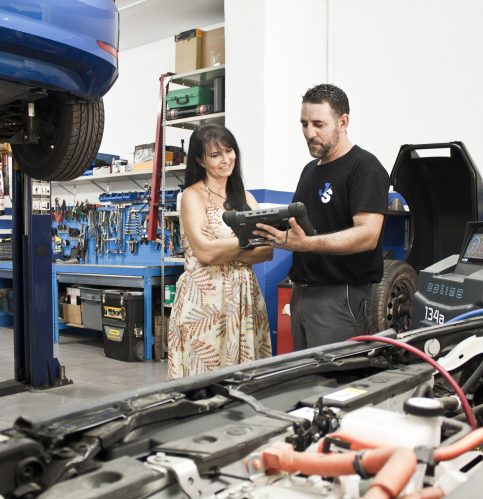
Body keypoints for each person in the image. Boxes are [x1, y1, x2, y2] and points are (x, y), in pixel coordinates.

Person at [255, 83, 389, 350]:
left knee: (336, 383)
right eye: (304, 124)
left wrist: (306, 244)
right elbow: (300, 227)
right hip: (303, 293)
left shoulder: (364, 167)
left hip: (341, 297)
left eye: (318, 124)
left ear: (343, 121)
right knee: (309, 381)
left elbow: (367, 235)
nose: (309, 133)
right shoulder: (309, 170)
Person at [167, 124, 273, 379]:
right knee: (203, 379)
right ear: (200, 160)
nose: (226, 159)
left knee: (245, 380)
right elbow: (205, 253)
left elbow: (268, 250)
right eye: (215, 155)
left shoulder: (245, 198)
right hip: (204, 301)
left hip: (244, 299)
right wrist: (248, 242)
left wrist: (222, 249)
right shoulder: (192, 196)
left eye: (229, 151)